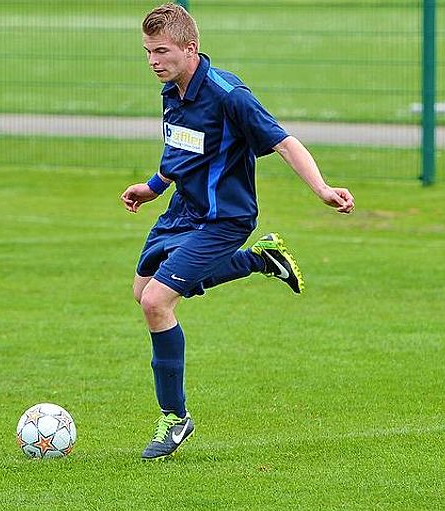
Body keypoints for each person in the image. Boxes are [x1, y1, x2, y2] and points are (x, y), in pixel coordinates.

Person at [121, 3, 355, 461]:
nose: (153, 60)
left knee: (156, 302)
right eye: (148, 51)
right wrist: (152, 188)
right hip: (182, 210)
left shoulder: (229, 95)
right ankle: (260, 260)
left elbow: (284, 142)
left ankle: (174, 418)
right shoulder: (172, 90)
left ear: (190, 49)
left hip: (224, 218)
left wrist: (323, 189)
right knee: (142, 291)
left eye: (162, 51)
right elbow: (181, 150)